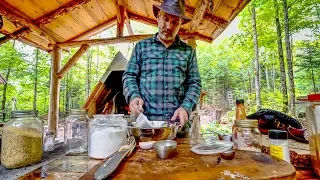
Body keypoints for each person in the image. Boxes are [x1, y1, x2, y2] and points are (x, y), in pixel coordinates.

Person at [122, 0, 201, 127]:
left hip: (177, 126)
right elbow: (129, 76)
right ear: (158, 17)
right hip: (146, 125)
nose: (169, 26)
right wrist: (133, 95)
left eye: (175, 22)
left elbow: (194, 83)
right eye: (166, 19)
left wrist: (186, 107)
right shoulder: (141, 47)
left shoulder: (188, 51)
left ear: (181, 23)